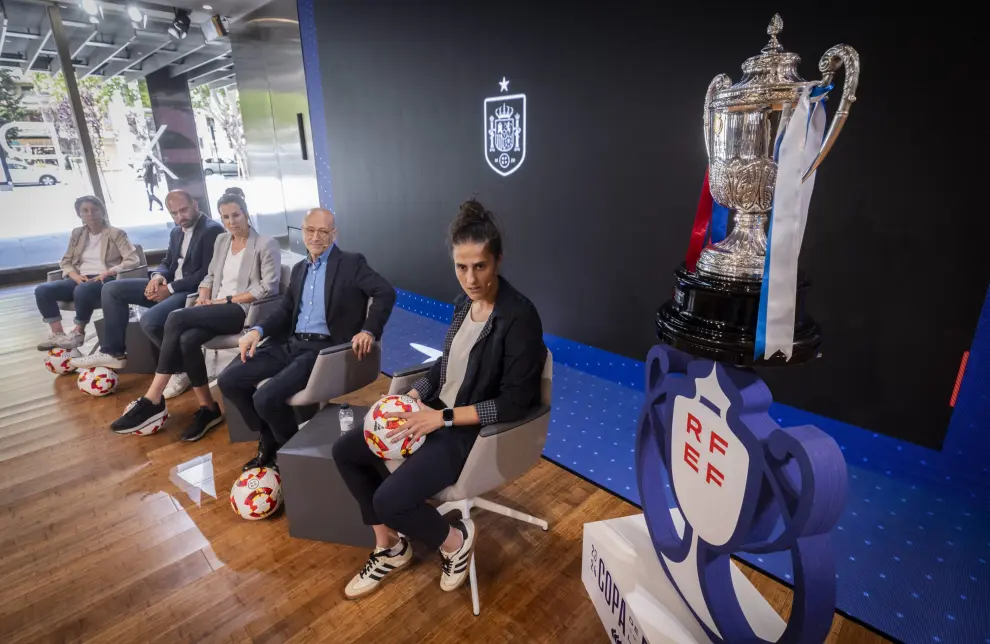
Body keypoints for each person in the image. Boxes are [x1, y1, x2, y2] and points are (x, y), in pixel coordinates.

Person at [332, 198, 547, 600]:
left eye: (479, 266)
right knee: (346, 450)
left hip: (472, 432)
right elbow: (445, 368)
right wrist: (412, 397)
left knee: (390, 499)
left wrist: (441, 419)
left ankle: (454, 541)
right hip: (434, 415)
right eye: (461, 267)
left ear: (497, 260)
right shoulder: (463, 303)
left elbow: (516, 402)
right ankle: (391, 547)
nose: (470, 278)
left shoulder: (519, 317)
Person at [217, 207, 396, 471]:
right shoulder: (300, 268)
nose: (316, 237)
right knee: (228, 380)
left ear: (333, 234)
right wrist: (258, 331)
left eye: (323, 231)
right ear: (303, 232)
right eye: (310, 230)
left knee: (265, 398)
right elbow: (286, 310)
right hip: (291, 344)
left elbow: (385, 292)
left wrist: (369, 329)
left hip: (324, 350)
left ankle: (290, 455)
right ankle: (271, 437)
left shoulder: (351, 263)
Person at [109, 188, 281, 441]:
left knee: (176, 317)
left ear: (245, 214)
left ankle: (152, 398)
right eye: (225, 217)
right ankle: (208, 408)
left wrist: (228, 299)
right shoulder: (222, 241)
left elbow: (270, 286)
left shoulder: (266, 244)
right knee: (187, 339)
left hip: (241, 310)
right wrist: (203, 296)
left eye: (236, 215)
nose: (231, 222)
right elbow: (210, 276)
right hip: (215, 306)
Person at [70, 191, 224, 399]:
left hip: (190, 291)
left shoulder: (211, 230)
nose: (180, 217)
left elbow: (206, 273)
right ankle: (113, 351)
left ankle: (181, 370)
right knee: (112, 289)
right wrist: (158, 277)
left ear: (195, 204)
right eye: (174, 213)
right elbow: (168, 262)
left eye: (183, 210)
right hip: (170, 285)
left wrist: (168, 290)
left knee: (150, 321)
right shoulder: (176, 232)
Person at [35, 196, 140, 351]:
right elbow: (66, 261)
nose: (90, 214)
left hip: (106, 279)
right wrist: (74, 276)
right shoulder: (77, 234)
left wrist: (109, 271)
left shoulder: (116, 233)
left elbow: (133, 259)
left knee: (83, 289)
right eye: (85, 210)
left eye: (94, 209)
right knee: (42, 290)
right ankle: (58, 334)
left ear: (102, 211)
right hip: (80, 278)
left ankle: (78, 331)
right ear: (80, 214)